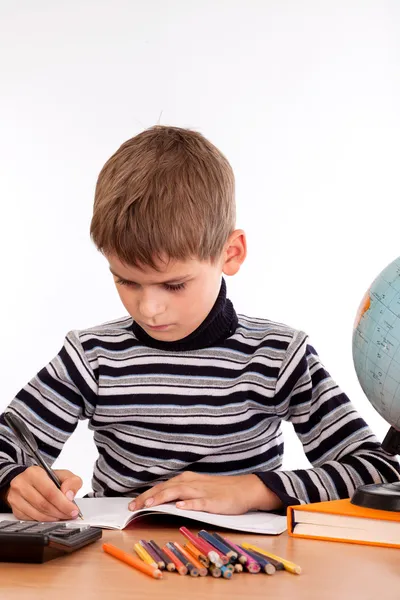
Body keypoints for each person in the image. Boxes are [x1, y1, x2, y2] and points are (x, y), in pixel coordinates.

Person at [0, 126, 399, 523]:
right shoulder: (92, 357)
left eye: (174, 284)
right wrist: (15, 483)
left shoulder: (280, 357)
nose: (149, 308)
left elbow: (378, 471)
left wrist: (256, 490)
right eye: (125, 280)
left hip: (246, 572)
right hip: (120, 566)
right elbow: (7, 447)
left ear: (231, 253)